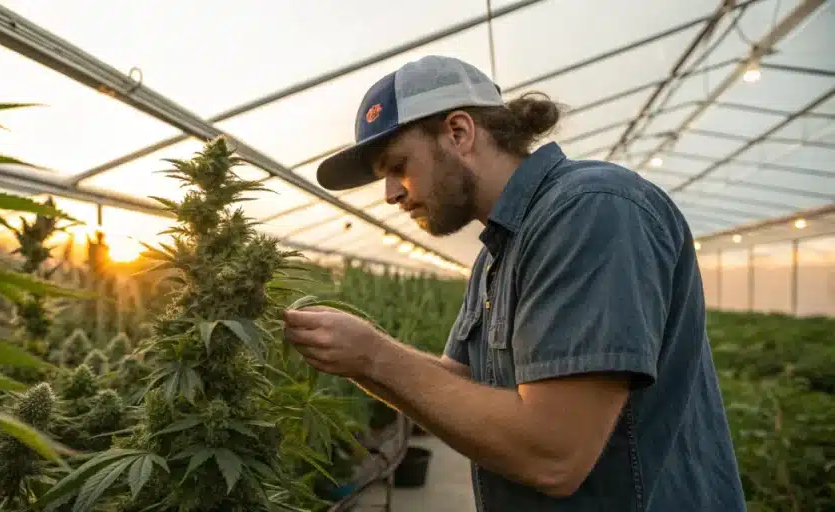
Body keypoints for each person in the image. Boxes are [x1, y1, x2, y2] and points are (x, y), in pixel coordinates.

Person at [281, 55, 747, 511]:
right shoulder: (495, 254)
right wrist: (357, 360)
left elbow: (554, 455)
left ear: (459, 133)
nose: (391, 194)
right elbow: (461, 382)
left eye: (398, 165)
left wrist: (376, 356)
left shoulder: (591, 210)